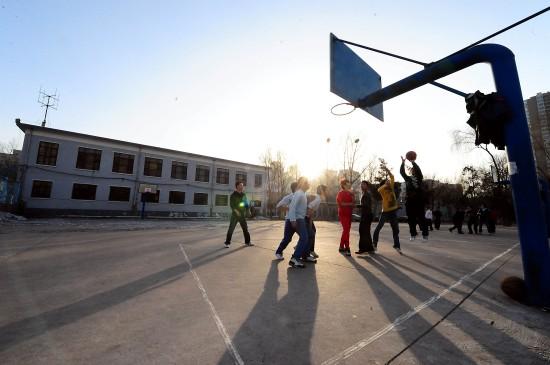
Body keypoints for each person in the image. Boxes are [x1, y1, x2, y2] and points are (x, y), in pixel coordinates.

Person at [372, 166, 402, 254]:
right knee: (379, 227)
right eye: (387, 181)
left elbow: (392, 176)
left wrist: (387, 170)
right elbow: (378, 189)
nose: (389, 182)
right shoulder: (382, 190)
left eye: (389, 181)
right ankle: (374, 244)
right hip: (385, 212)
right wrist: (385, 184)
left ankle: (397, 245)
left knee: (395, 229)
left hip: (393, 211)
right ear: (384, 184)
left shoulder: (391, 187)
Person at [400, 153, 429, 241]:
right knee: (411, 219)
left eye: (414, 170)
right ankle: (413, 234)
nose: (413, 171)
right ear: (411, 172)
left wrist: (413, 162)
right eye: (412, 170)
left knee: (421, 218)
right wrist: (402, 163)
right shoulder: (408, 179)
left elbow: (418, 170)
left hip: (419, 201)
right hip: (409, 201)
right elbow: (402, 172)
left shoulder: (419, 178)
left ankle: (425, 235)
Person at [287, 177, 312, 268]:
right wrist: (293, 220)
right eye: (307, 182)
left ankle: (303, 256)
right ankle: (295, 258)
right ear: (302, 183)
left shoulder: (302, 194)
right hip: (298, 219)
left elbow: (299, 208)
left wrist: (306, 215)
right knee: (304, 238)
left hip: (300, 218)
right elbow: (292, 207)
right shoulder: (299, 194)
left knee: (306, 236)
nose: (309, 184)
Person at [274, 182, 298, 260]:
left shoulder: (302, 196)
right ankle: (278, 252)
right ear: (295, 188)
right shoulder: (289, 197)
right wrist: (289, 209)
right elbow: (278, 206)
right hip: (290, 220)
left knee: (306, 236)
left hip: (299, 220)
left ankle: (299, 248)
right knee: (287, 238)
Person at [224, 181, 252, 247]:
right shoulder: (233, 195)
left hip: (242, 215)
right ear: (237, 186)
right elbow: (232, 205)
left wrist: (248, 210)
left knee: (245, 229)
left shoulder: (243, 195)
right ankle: (227, 243)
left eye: (242, 186)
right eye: (241, 185)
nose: (242, 187)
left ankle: (247, 242)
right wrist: (236, 211)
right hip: (235, 216)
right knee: (231, 229)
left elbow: (246, 203)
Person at [304, 184, 328, 260]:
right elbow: (309, 208)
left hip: (306, 216)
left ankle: (310, 250)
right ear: (323, 191)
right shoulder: (318, 199)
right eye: (325, 191)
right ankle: (305, 252)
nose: (326, 192)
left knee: (312, 232)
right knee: (310, 233)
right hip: (305, 217)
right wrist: (310, 220)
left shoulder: (316, 197)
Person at [336, 179, 355, 256]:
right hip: (343, 214)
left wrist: (353, 195)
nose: (349, 185)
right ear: (343, 185)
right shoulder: (340, 193)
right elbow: (341, 204)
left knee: (346, 231)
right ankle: (347, 248)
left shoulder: (350, 193)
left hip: (349, 214)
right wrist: (350, 204)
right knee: (346, 230)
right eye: (347, 184)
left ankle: (341, 246)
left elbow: (353, 203)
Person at [356, 180, 375, 254]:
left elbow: (366, 205)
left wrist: (357, 206)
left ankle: (362, 249)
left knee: (362, 231)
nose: (361, 186)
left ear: (367, 186)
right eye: (361, 184)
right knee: (366, 232)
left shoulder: (366, 194)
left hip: (366, 215)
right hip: (367, 215)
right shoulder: (365, 193)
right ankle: (370, 248)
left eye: (363, 184)